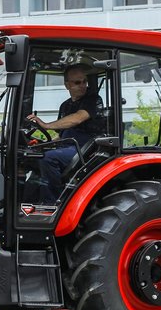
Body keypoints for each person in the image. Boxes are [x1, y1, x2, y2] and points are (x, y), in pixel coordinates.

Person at [25, 63, 105, 204]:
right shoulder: (65, 105)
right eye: (77, 82)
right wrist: (44, 144)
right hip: (67, 146)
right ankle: (29, 202)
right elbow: (62, 134)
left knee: (48, 158)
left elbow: (78, 118)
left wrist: (46, 125)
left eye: (84, 81)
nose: (82, 85)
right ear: (67, 85)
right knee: (32, 155)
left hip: (85, 148)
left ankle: (52, 203)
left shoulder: (93, 100)